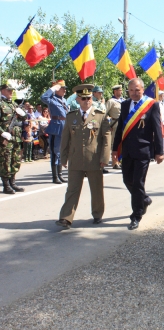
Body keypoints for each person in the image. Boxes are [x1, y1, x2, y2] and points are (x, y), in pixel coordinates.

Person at [56, 84, 111, 229]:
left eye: (89, 98)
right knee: (72, 190)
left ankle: (97, 214)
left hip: (94, 159)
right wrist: (63, 158)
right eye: (83, 98)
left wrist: (105, 158)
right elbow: (65, 140)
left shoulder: (100, 115)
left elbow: (106, 138)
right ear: (78, 99)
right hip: (75, 159)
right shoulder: (71, 117)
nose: (87, 101)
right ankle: (66, 218)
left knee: (96, 189)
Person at [112, 77, 164, 230]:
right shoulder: (125, 104)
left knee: (138, 183)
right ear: (128, 91)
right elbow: (120, 128)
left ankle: (136, 215)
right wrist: (115, 149)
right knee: (127, 180)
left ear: (142, 90)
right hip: (127, 151)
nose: (134, 93)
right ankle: (144, 199)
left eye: (137, 90)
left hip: (143, 151)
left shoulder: (151, 105)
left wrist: (159, 152)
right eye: (132, 90)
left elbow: (157, 130)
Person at [41, 80, 69, 184]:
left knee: (61, 152)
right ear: (57, 89)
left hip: (65, 127)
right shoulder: (52, 99)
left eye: (65, 88)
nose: (64, 90)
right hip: (56, 128)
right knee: (54, 153)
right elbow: (43, 98)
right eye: (62, 88)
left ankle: (60, 175)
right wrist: (52, 89)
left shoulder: (64, 100)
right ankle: (55, 176)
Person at [0, 83, 26, 194]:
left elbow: (24, 118)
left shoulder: (14, 104)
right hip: (5, 137)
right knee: (6, 161)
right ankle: (6, 185)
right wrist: (2, 133)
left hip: (16, 137)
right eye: (8, 90)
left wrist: (23, 114)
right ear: (2, 91)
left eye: (12, 90)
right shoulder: (1, 104)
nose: (11, 92)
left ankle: (13, 183)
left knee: (15, 160)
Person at [105, 84, 124, 169]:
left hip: (124, 124)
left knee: (123, 143)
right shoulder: (111, 101)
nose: (121, 92)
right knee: (115, 144)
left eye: (121, 90)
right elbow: (104, 113)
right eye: (119, 90)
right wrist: (108, 124)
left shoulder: (124, 101)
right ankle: (115, 162)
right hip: (115, 124)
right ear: (115, 91)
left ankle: (121, 160)